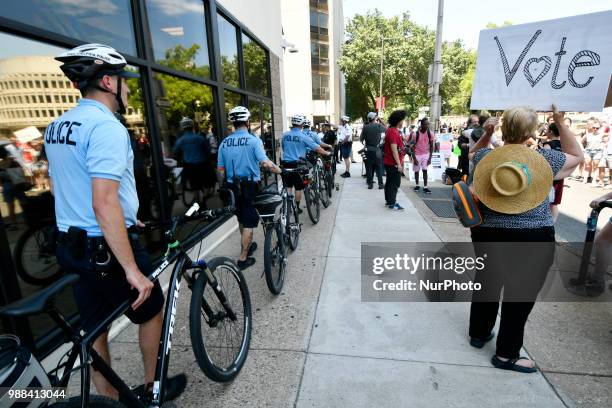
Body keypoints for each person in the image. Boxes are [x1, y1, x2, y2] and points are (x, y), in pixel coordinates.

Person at [47, 43, 185, 401]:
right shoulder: (107, 127)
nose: (127, 88)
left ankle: (105, 400)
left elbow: (71, 184)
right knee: (151, 306)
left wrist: (127, 214)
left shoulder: (57, 127)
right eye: (123, 81)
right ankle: (154, 389)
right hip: (104, 248)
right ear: (108, 82)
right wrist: (132, 270)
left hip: (72, 245)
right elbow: (102, 200)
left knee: (95, 328)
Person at [468, 105, 582, 373]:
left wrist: (487, 133)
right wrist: (560, 123)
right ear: (531, 132)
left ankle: (479, 334)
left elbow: (473, 153)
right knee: (519, 295)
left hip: (488, 232)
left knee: (487, 282)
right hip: (531, 236)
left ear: (503, 129)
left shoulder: (486, 156)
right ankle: (506, 355)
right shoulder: (545, 160)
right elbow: (577, 155)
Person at [217, 106, 282, 270]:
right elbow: (265, 163)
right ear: (247, 122)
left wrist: (224, 186)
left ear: (233, 123)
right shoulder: (253, 141)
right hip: (249, 186)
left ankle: (247, 245)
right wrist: (279, 170)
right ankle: (243, 258)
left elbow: (220, 170)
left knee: (241, 218)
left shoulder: (224, 143)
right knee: (250, 223)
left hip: (231, 187)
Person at [281, 115, 331, 213]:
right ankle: (297, 208)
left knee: (288, 186)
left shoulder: (285, 135)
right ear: (302, 125)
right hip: (298, 165)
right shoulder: (303, 136)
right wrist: (327, 153)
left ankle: (288, 207)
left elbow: (283, 147)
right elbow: (317, 148)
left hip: (286, 164)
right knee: (298, 188)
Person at [173, 116, 209, 192]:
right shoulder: (200, 138)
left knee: (188, 180)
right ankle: (206, 190)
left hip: (189, 165)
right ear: (192, 126)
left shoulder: (180, 140)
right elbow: (207, 149)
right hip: (202, 164)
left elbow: (175, 151)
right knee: (208, 177)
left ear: (182, 128)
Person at [383, 110, 407, 210]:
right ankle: (392, 203)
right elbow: (394, 150)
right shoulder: (393, 131)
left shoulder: (392, 130)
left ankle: (389, 201)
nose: (403, 122)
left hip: (389, 162)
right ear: (398, 121)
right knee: (394, 183)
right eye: (402, 120)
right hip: (393, 163)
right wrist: (399, 164)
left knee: (390, 182)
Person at [542, 123, 564, 222]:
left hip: (549, 177)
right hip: (561, 176)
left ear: (550, 131)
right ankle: (553, 222)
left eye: (547, 130)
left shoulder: (548, 144)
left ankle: (545, 221)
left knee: (545, 201)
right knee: (554, 203)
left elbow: (544, 160)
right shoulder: (564, 144)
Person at [408, 117, 435, 194]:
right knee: (416, 171)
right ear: (422, 124)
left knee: (425, 170)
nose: (427, 126)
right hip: (417, 154)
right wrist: (414, 158)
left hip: (426, 154)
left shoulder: (430, 134)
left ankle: (425, 187)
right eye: (425, 124)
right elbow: (412, 147)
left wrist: (430, 158)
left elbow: (432, 146)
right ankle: (417, 185)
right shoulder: (415, 134)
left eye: (428, 124)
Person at [359, 112, 386, 189]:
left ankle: (370, 184)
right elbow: (386, 128)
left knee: (369, 167)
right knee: (378, 167)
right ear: (375, 118)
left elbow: (361, 140)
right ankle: (380, 184)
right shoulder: (379, 126)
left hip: (368, 149)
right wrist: (380, 120)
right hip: (377, 150)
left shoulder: (365, 127)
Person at [581, 119, 604, 185]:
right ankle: (585, 179)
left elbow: (606, 141)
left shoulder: (601, 135)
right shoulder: (588, 135)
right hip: (588, 151)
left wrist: (602, 147)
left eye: (597, 128)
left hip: (597, 152)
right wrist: (583, 149)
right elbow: (581, 141)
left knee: (595, 166)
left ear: (599, 128)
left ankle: (594, 180)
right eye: (594, 127)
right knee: (587, 165)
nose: (595, 129)